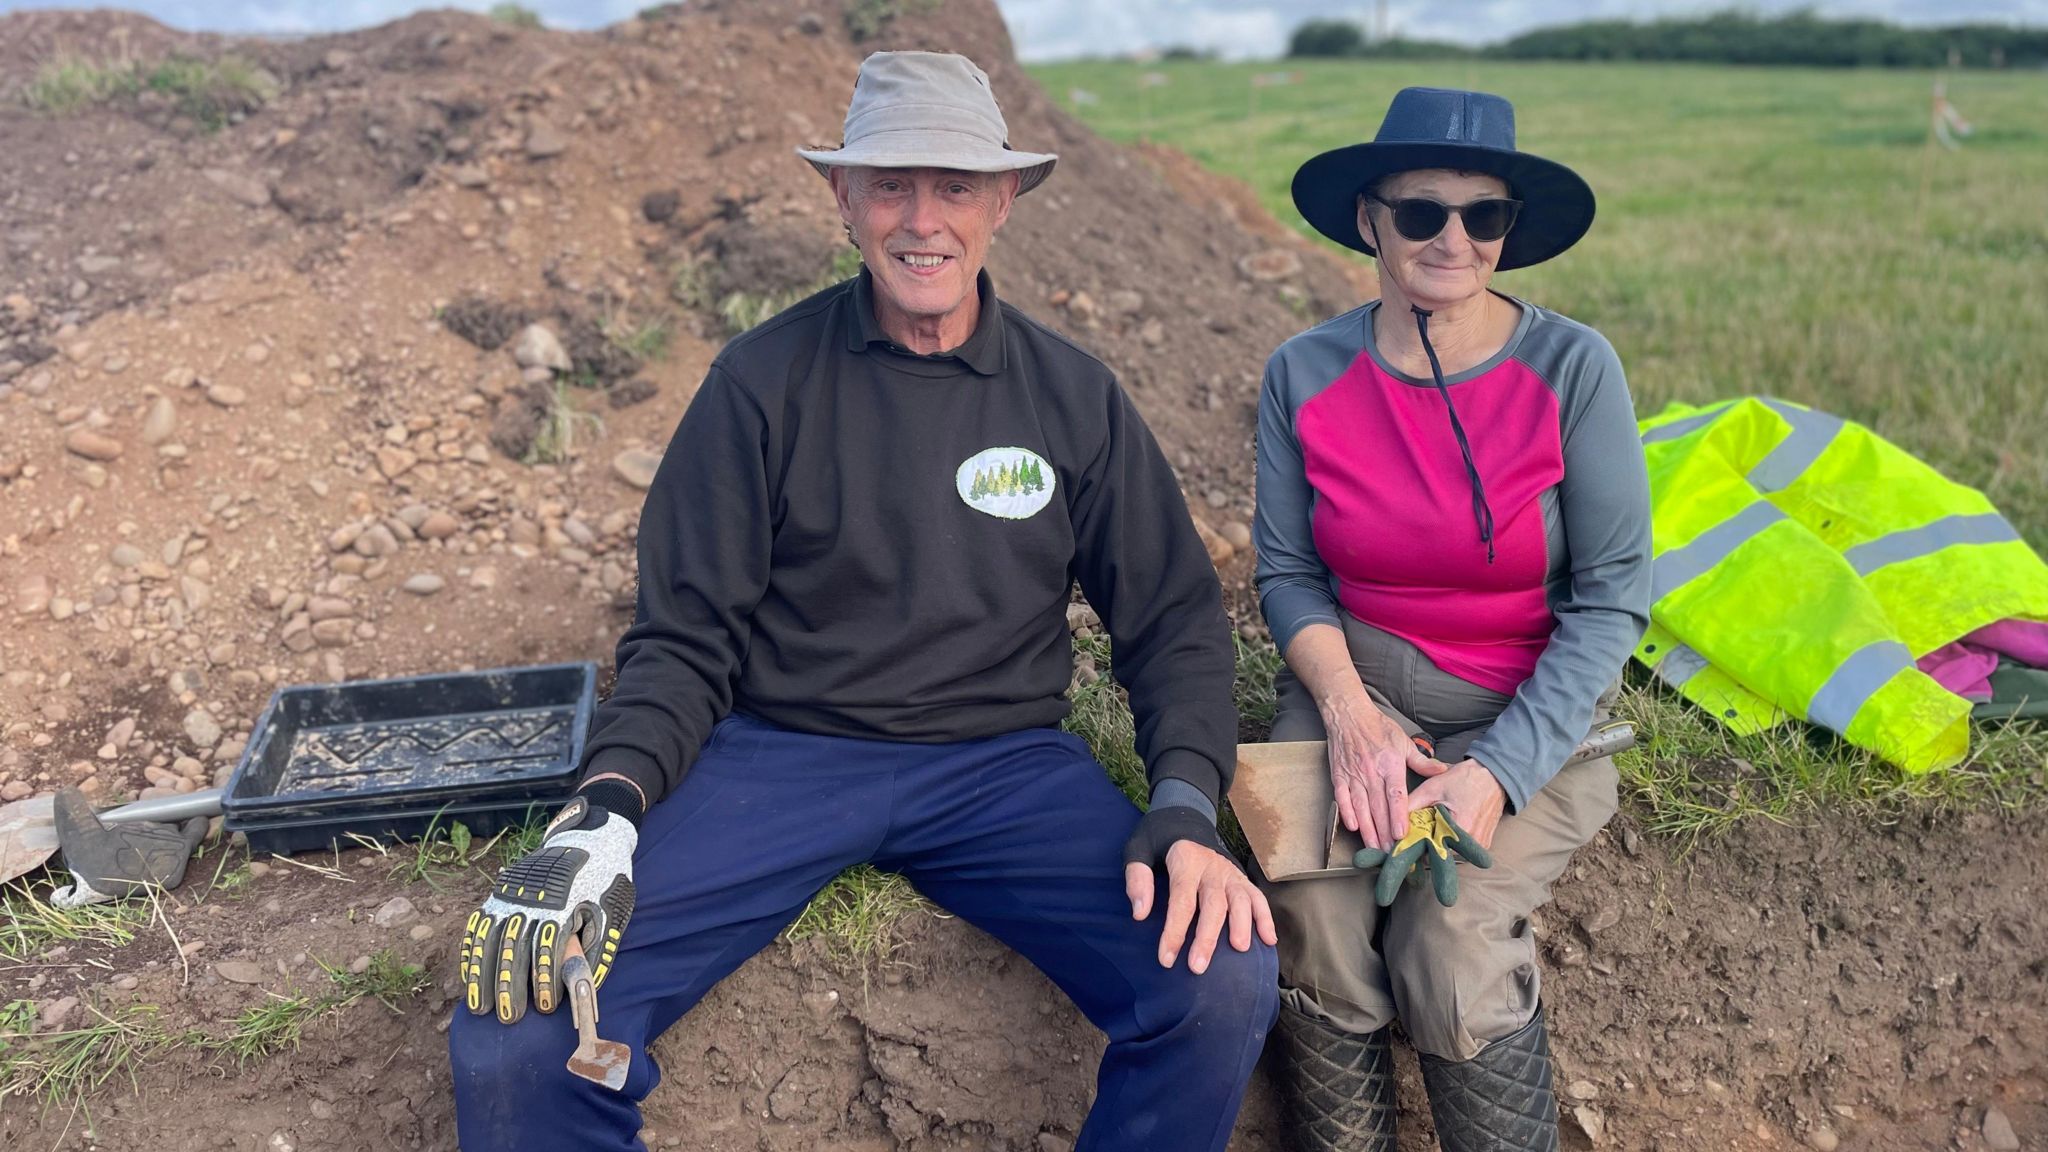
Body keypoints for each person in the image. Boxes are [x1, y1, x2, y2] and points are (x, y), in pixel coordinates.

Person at [447, 50, 1278, 1152]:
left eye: (952, 187)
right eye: (890, 183)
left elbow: (1172, 622)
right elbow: (685, 639)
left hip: (1003, 770)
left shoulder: (1072, 398)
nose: (920, 219)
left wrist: (1180, 807)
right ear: (842, 198)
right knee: (521, 1032)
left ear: (1003, 200)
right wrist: (605, 807)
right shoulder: (760, 384)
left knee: (1218, 983)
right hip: (782, 754)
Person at [1253, 87, 1651, 1151]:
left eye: (1484, 216)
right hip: (1357, 698)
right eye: (1422, 212)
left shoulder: (1572, 370)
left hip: (1525, 710)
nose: (1454, 239)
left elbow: (1612, 594)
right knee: (1319, 927)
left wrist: (1498, 773)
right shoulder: (1303, 373)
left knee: (1446, 936)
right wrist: (1346, 713)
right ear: (1369, 221)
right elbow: (1287, 572)